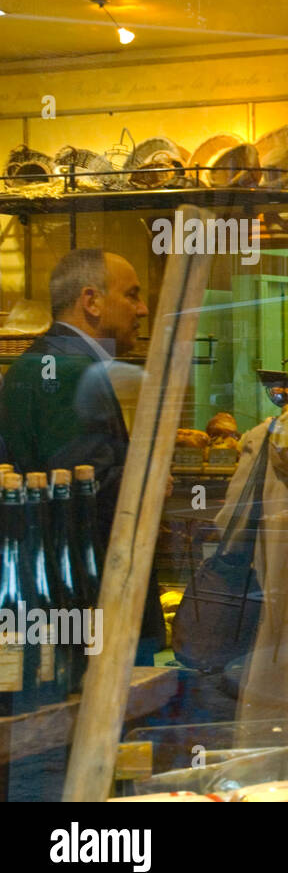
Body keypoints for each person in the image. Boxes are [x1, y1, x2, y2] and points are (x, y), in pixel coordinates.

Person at [0, 248, 164, 664]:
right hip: (92, 605)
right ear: (91, 301)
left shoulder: (42, 362)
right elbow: (86, 496)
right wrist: (151, 479)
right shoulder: (70, 371)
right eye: (132, 295)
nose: (142, 309)